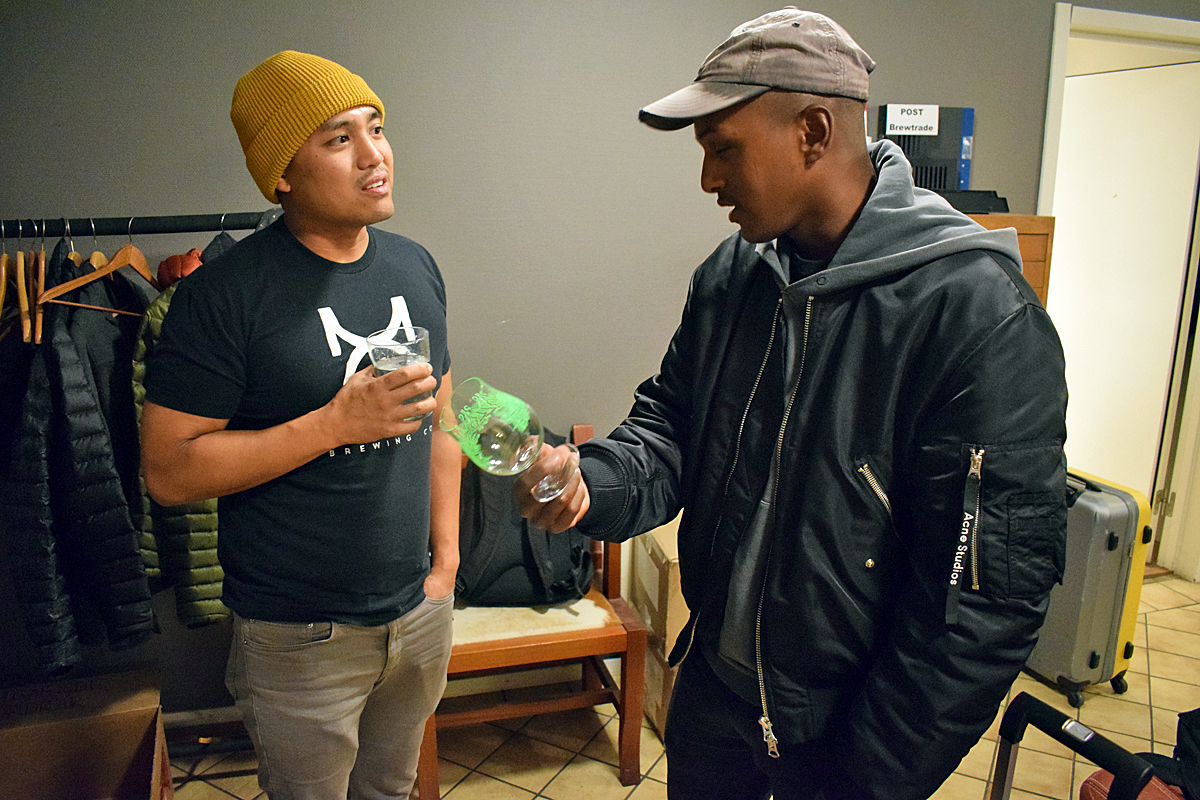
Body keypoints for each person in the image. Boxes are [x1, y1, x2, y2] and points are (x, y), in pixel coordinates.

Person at [516, 9, 1068, 800]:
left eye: (723, 149)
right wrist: (585, 482)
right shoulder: (733, 277)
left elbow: (980, 603)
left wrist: (866, 778)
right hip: (713, 704)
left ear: (812, 131)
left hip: (841, 742)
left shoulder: (977, 316)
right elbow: (670, 429)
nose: (708, 180)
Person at [140, 50, 458, 800]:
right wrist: (332, 425)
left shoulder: (415, 267)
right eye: (339, 138)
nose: (375, 155)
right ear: (282, 173)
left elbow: (442, 420)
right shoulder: (222, 296)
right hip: (298, 635)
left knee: (391, 790)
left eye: (375, 128)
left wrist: (444, 567)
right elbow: (170, 472)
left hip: (418, 612)